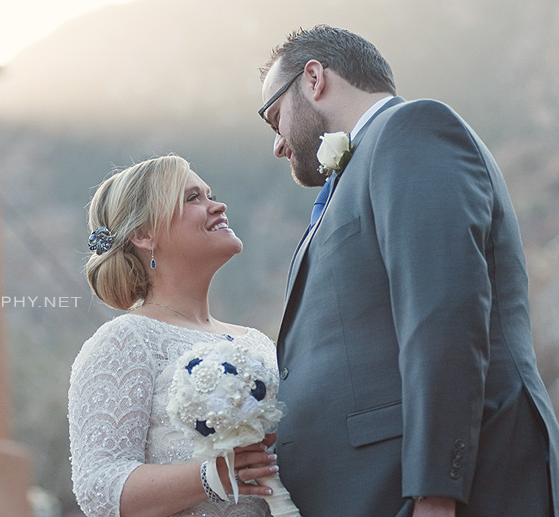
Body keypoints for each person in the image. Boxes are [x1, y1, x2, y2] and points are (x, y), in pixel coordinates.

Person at [258, 24, 559, 517]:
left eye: (275, 120)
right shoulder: (355, 173)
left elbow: (443, 313)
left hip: (429, 491)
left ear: (314, 79)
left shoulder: (412, 130)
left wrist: (434, 492)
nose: (277, 146)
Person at [68, 155, 279, 517]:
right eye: (193, 198)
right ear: (144, 234)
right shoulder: (126, 341)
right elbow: (98, 488)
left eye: (209, 194)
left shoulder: (258, 342)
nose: (218, 205)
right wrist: (211, 477)